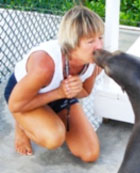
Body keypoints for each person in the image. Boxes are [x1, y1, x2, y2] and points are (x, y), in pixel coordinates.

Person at [4, 6, 104, 162]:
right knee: (54, 138)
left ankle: (48, 116)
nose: (99, 46)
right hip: (25, 97)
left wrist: (76, 89)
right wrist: (59, 92)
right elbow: (14, 105)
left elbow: (85, 92)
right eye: (91, 41)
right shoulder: (44, 64)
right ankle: (22, 126)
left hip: (60, 94)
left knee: (90, 154)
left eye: (100, 37)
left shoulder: (93, 61)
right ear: (72, 42)